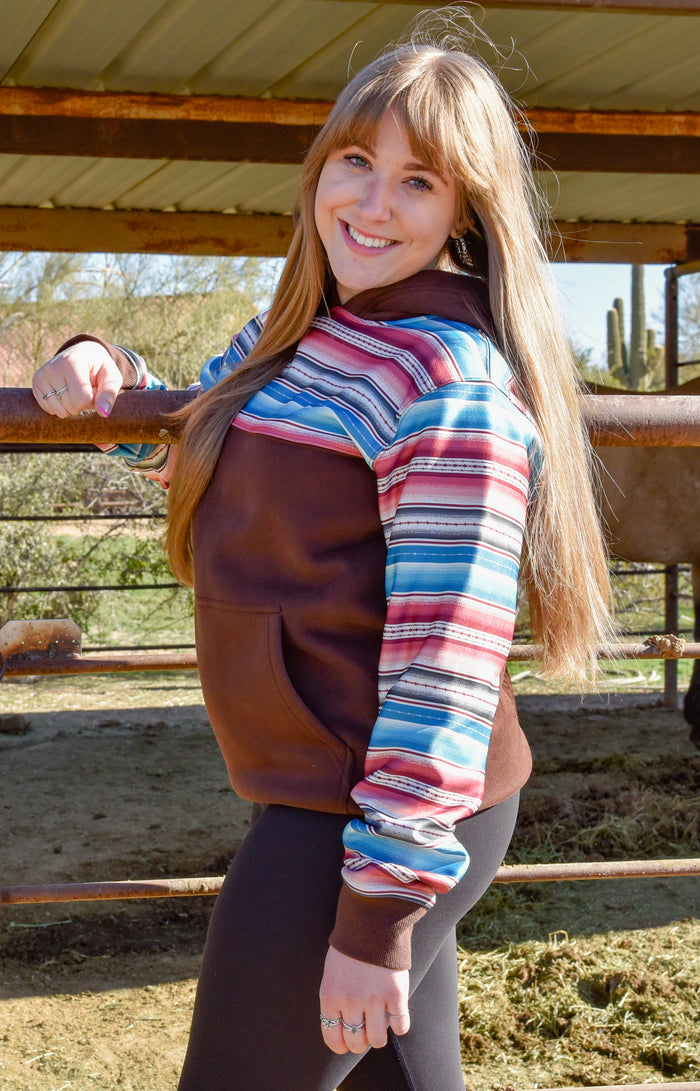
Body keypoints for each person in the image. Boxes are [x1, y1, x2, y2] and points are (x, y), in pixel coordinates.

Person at [32, 20, 612, 1091]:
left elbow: (446, 661)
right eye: (355, 161)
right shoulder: (304, 333)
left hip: (372, 813)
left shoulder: (451, 383)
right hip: (341, 791)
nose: (370, 202)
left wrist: (378, 915)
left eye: (416, 181)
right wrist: (98, 366)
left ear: (464, 212)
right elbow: (193, 432)